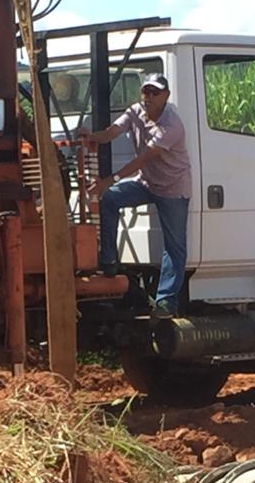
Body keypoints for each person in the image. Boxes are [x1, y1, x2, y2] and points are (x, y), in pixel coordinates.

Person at [79, 73, 192, 319]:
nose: (149, 97)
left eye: (155, 93)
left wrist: (110, 180)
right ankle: (108, 260)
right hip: (147, 182)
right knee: (110, 199)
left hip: (173, 188)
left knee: (174, 247)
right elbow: (113, 131)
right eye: (146, 92)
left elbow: (144, 158)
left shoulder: (172, 126)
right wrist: (93, 136)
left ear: (166, 96)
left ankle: (165, 302)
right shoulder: (135, 112)